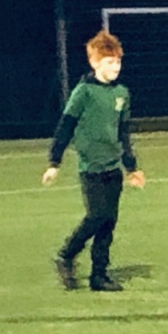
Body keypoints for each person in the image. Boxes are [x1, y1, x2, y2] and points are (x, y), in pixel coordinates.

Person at [44, 31, 145, 291]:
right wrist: (54, 162)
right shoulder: (84, 92)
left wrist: (132, 167)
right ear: (94, 62)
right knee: (97, 216)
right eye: (110, 62)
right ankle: (66, 255)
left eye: (118, 62)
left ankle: (99, 275)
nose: (116, 67)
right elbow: (65, 127)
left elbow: (123, 133)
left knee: (109, 222)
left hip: (113, 168)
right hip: (91, 168)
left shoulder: (122, 93)